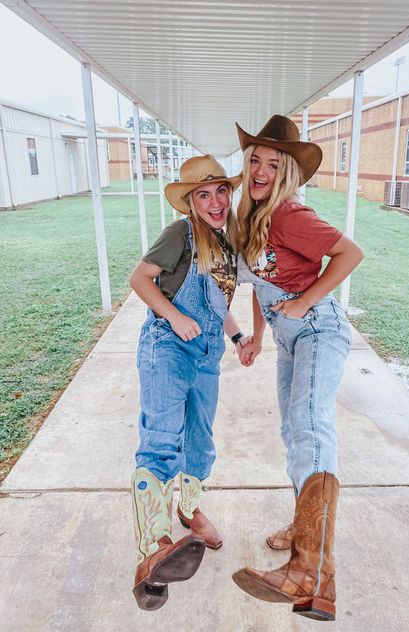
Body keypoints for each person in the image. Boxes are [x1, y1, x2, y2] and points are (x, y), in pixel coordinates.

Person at [231, 115, 364, 621]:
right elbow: (260, 287)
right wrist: (257, 337)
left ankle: (308, 568)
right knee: (295, 432)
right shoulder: (254, 216)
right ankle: (310, 552)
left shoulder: (288, 213)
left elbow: (350, 253)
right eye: (254, 160)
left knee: (311, 428)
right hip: (288, 335)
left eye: (272, 163)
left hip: (316, 329)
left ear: (287, 173)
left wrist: (305, 301)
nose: (261, 170)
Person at [129, 155, 248, 611]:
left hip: (207, 353)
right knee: (161, 441)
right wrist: (175, 316)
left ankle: (189, 511)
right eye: (204, 194)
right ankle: (153, 550)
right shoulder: (180, 234)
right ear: (191, 201)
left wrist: (237, 335)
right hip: (168, 346)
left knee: (199, 440)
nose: (215, 201)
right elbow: (140, 278)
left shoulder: (226, 241)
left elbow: (218, 299)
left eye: (221, 191)